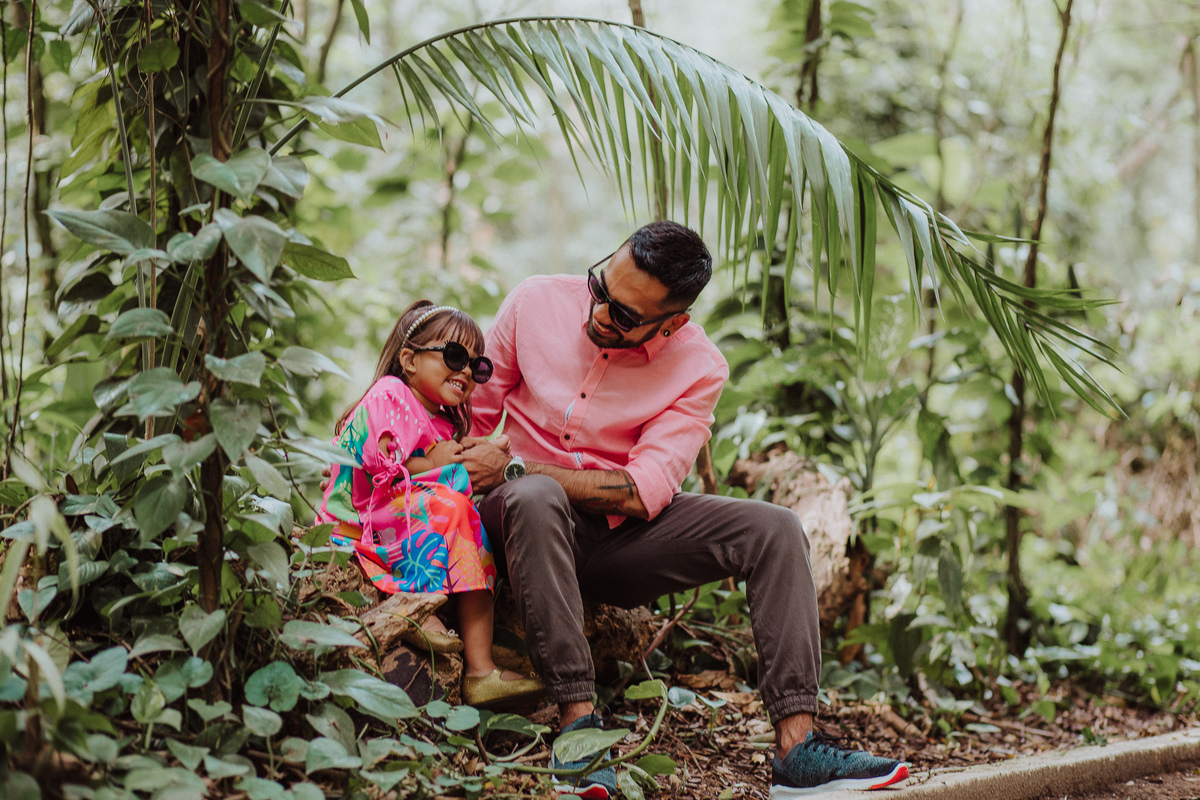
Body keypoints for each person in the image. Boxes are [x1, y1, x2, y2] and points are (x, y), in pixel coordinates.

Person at [458, 222, 910, 798]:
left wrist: (521, 467)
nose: (599, 313)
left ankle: (797, 749)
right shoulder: (534, 302)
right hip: (519, 518)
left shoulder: (700, 366)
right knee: (534, 494)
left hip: (617, 539)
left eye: (624, 316)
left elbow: (642, 492)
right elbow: (467, 416)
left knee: (776, 528)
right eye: (601, 289)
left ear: (671, 324)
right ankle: (578, 727)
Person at [317, 300, 544, 707]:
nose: (465, 372)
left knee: (469, 521)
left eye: (477, 367)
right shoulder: (391, 394)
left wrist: (476, 457)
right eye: (454, 356)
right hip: (362, 517)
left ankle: (481, 669)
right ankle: (419, 608)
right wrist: (431, 462)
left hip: (404, 513)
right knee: (448, 506)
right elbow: (375, 462)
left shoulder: (443, 419)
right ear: (409, 359)